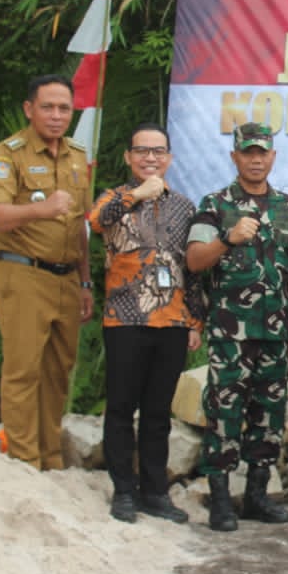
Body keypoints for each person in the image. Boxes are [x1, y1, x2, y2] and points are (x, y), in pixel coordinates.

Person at [186, 121, 288, 532]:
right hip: (229, 334)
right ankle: (221, 499)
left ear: (272, 157)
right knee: (223, 413)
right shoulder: (215, 204)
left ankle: (257, 495)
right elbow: (195, 260)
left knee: (269, 416)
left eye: (263, 152)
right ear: (235, 156)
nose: (256, 159)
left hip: (275, 332)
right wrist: (230, 238)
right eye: (248, 152)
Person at [88, 123, 204, 524]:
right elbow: (96, 222)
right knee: (121, 408)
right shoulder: (114, 198)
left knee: (157, 413)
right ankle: (123, 491)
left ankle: (155, 491)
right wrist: (138, 194)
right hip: (125, 319)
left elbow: (192, 269)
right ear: (128, 157)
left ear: (170, 158)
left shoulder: (185, 207)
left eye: (158, 152)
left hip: (172, 322)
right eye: (142, 151)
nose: (150, 158)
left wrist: (195, 320)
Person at [0, 74, 94, 470]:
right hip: (23, 272)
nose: (57, 115)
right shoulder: (7, 154)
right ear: (30, 109)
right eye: (48, 107)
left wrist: (85, 281)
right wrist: (40, 210)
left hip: (66, 277)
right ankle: (23, 462)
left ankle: (50, 458)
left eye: (64, 108)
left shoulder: (77, 156)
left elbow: (80, 224)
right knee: (23, 368)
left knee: (58, 370)